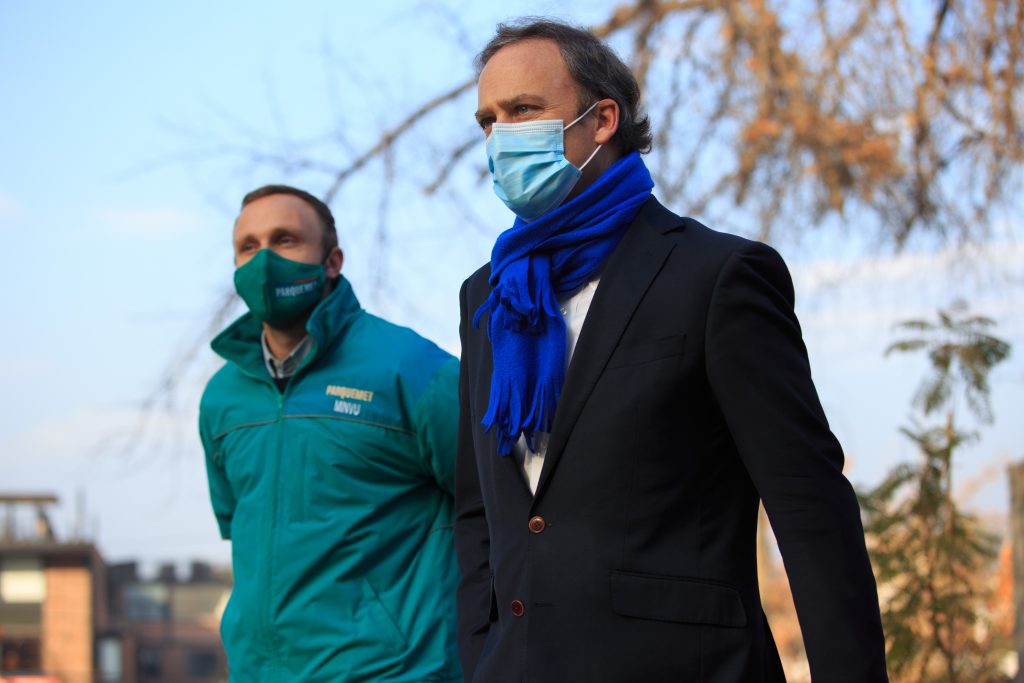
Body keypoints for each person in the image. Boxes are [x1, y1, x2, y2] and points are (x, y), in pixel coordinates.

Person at [455, 19, 889, 683]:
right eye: (489, 120)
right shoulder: (488, 297)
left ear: (602, 121)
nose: (500, 137)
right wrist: (481, 650)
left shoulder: (716, 276)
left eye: (523, 110)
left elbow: (809, 507)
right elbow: (478, 512)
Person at [199, 184, 462, 682]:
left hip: (392, 671)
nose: (264, 261)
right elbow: (246, 537)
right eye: (248, 247)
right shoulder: (222, 398)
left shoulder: (414, 369)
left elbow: (498, 511)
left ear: (333, 261)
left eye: (286, 240)